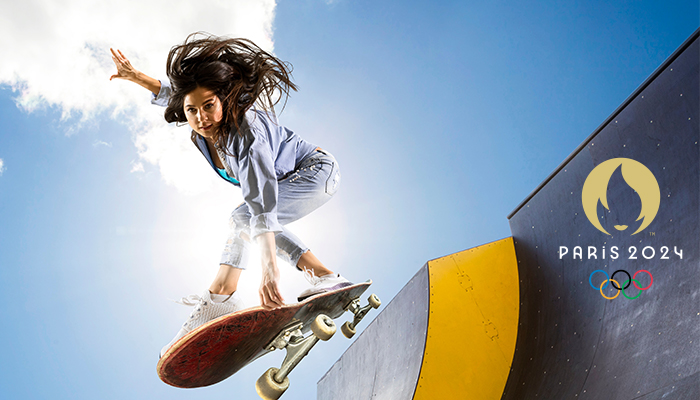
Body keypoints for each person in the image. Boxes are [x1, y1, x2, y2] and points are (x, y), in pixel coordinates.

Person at [109, 33, 352, 358]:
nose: (201, 119)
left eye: (209, 106)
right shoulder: (198, 116)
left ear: (224, 99)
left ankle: (223, 296)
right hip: (287, 181)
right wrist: (135, 76)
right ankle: (314, 279)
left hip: (316, 171)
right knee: (242, 219)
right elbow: (175, 95)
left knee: (243, 217)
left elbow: (262, 201)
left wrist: (268, 268)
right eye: (192, 111)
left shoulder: (245, 132)